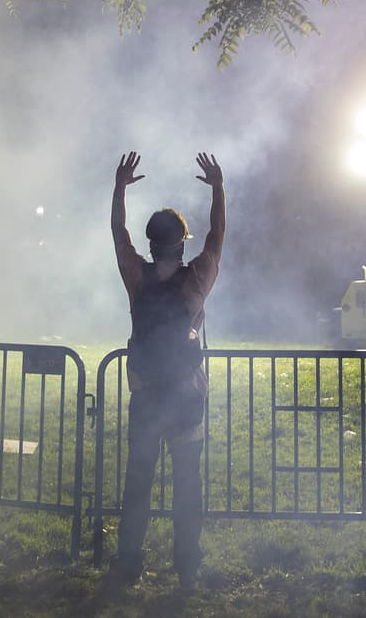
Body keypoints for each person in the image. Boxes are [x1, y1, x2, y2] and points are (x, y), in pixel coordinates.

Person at [109, 150, 225, 590]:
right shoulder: (197, 279)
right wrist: (218, 188)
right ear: (182, 241)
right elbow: (217, 236)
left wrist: (120, 188)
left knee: (137, 484)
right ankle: (187, 570)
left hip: (146, 394)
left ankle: (128, 566)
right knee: (186, 488)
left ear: (151, 241)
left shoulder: (136, 277)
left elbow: (118, 234)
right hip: (185, 396)